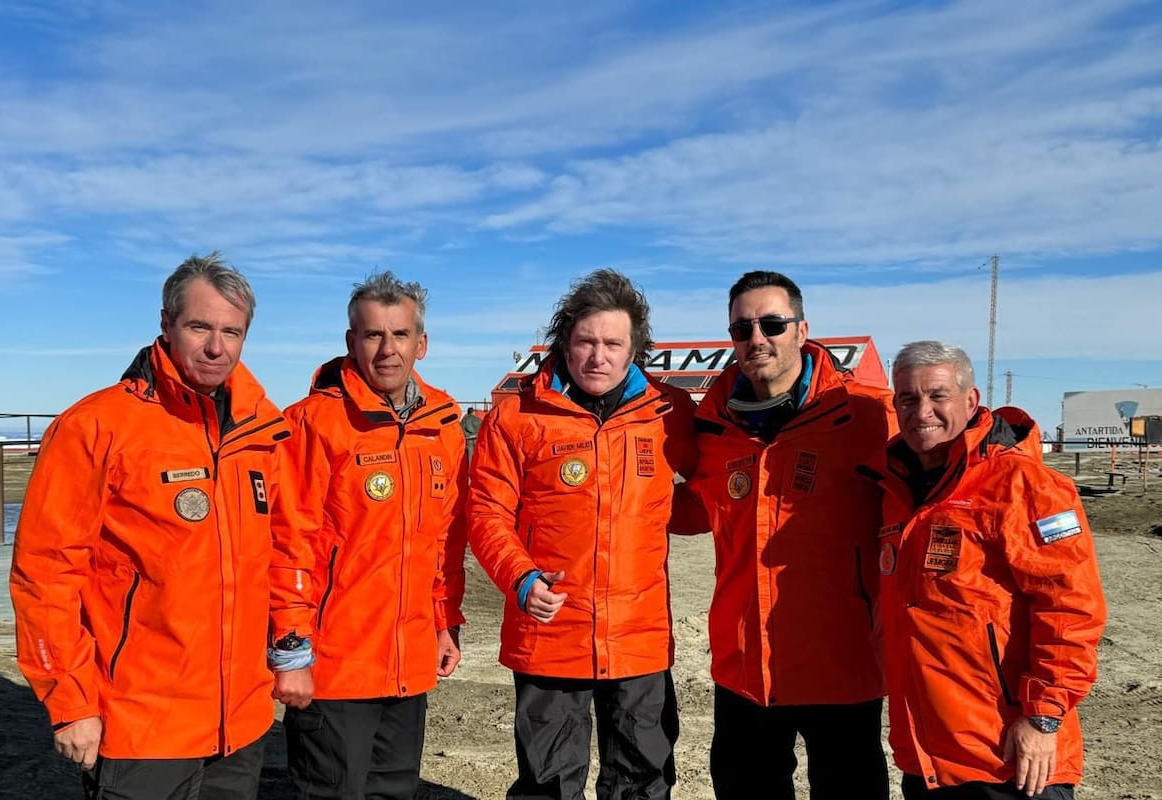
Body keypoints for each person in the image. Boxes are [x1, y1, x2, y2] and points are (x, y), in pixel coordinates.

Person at [9, 253, 314, 799]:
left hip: (241, 722)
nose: (217, 346)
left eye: (232, 331)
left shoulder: (261, 432)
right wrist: (70, 701)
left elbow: (284, 551)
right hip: (142, 725)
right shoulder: (97, 426)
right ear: (166, 324)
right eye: (200, 326)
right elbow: (46, 575)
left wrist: (292, 654)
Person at [468, 269, 702, 800]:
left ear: (634, 349)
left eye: (613, 343)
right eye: (586, 341)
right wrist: (521, 577)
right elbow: (486, 511)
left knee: (642, 781)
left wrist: (658, 510)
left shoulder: (670, 413)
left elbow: (708, 494)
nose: (598, 356)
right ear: (565, 343)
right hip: (550, 634)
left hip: (638, 639)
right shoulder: (515, 418)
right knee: (548, 784)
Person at [686, 270, 894, 800]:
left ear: (802, 330)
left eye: (772, 323)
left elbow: (956, 454)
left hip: (840, 664)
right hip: (744, 667)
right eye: (741, 329)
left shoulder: (867, 415)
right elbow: (680, 508)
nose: (757, 339)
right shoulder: (712, 425)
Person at [871, 341, 1106, 800]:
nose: (923, 411)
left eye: (937, 395)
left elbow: (1071, 611)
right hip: (928, 755)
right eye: (907, 398)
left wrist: (1043, 717)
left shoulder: (1024, 484)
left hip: (1008, 758)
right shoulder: (894, 487)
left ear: (970, 400)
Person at [273, 270, 468, 798]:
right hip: (335, 666)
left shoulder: (443, 427)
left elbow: (443, 541)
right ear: (350, 342)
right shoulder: (312, 424)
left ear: (421, 343)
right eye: (373, 334)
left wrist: (443, 621)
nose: (387, 349)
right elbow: (290, 542)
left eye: (400, 334)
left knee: (394, 791)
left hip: (409, 660)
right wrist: (292, 652)